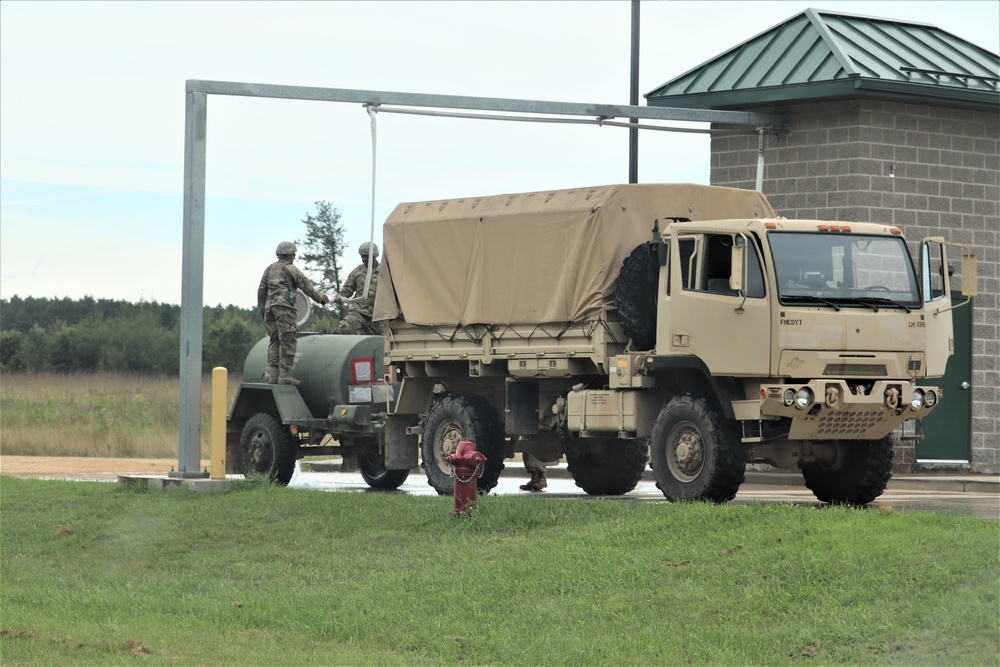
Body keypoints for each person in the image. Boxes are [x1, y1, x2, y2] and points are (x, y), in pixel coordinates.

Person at [257, 241, 330, 385]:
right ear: (290, 255)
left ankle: (272, 374)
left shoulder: (269, 269)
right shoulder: (291, 269)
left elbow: (261, 291)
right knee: (288, 340)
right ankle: (284, 375)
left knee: (274, 340)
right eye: (294, 255)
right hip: (285, 309)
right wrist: (321, 299)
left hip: (269, 309)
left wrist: (262, 311)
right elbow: (307, 287)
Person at [333, 242, 383, 335]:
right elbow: (347, 290)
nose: (364, 259)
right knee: (345, 328)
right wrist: (339, 296)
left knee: (387, 342)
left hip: (379, 316)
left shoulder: (384, 272)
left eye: (366, 256)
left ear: (374, 256)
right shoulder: (357, 271)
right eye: (362, 256)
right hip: (359, 312)